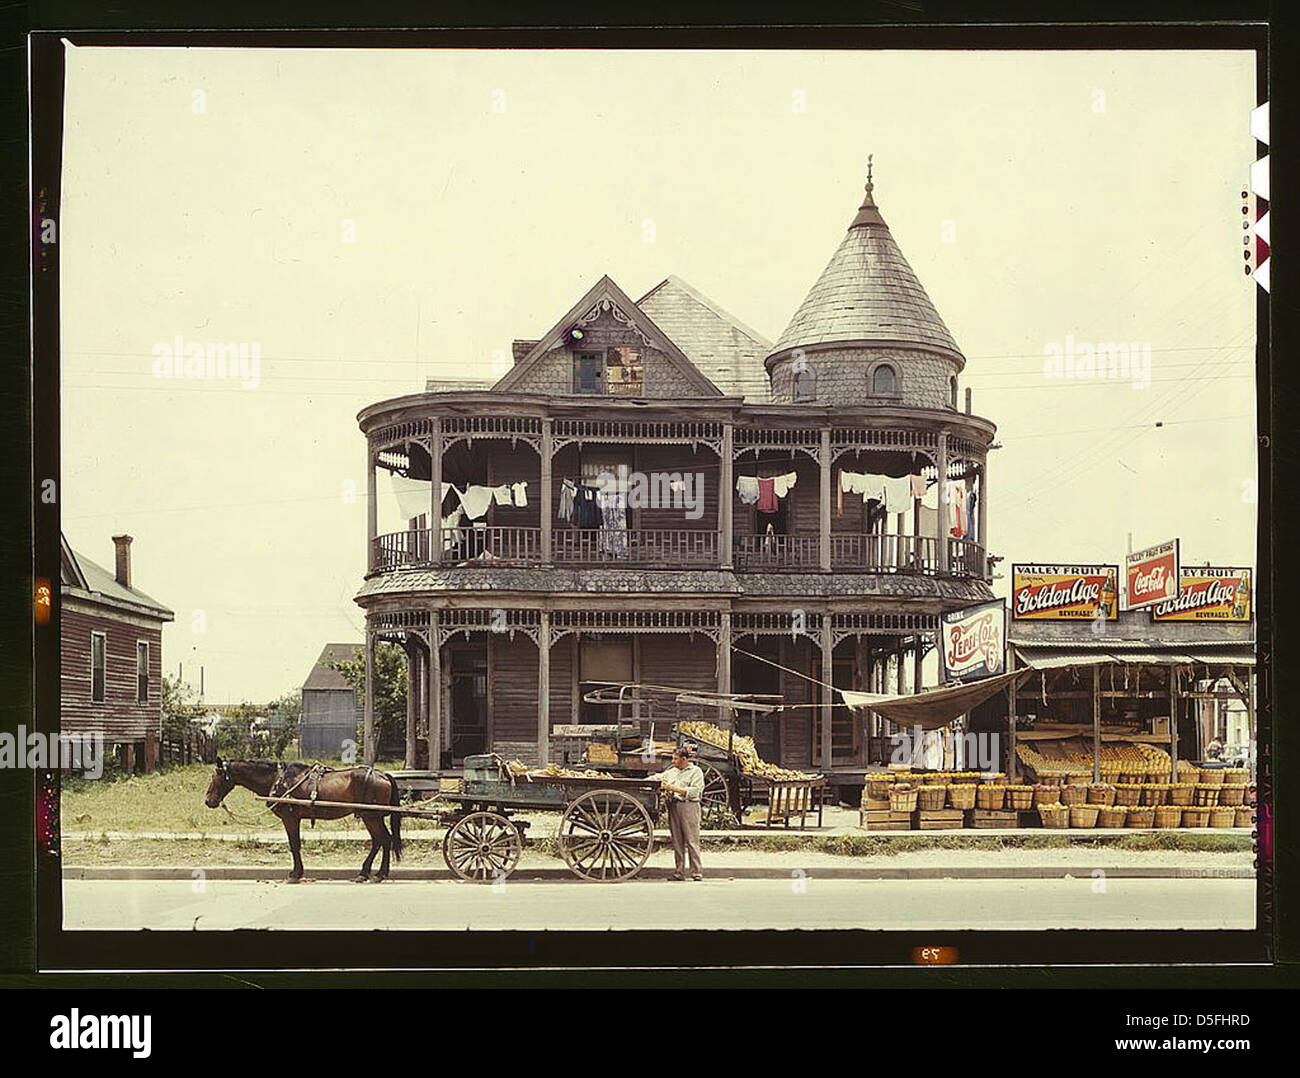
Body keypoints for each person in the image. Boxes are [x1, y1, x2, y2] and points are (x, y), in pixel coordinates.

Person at [652, 744, 705, 881]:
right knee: (677, 841)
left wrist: (674, 788)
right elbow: (659, 777)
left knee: (692, 840)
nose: (673, 761)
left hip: (689, 806)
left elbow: (695, 791)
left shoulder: (696, 771)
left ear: (684, 759)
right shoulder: (672, 772)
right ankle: (679, 872)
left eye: (675, 759)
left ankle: (696, 872)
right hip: (674, 806)